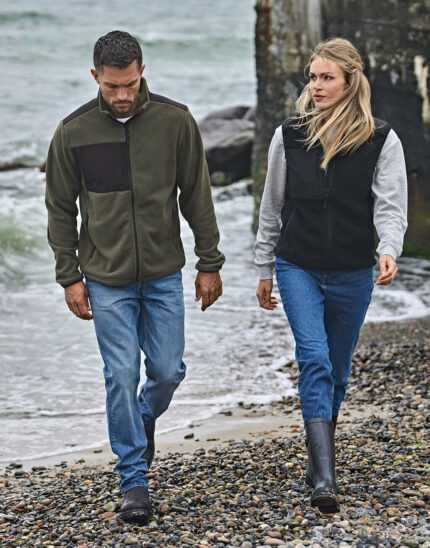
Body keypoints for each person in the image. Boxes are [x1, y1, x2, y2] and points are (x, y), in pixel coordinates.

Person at [46, 30, 224, 524]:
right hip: (105, 278)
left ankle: (142, 419)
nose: (122, 95)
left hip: (164, 274)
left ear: (142, 71)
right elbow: (59, 209)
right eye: (111, 86)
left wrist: (209, 262)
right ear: (95, 77)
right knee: (120, 375)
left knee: (167, 371)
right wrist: (69, 277)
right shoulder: (73, 131)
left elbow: (197, 195)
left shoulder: (175, 121)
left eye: (129, 84)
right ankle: (134, 481)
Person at [255, 38, 407, 514]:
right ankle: (325, 478)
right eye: (313, 77)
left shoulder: (381, 139)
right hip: (297, 265)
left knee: (337, 372)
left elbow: (390, 206)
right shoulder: (289, 135)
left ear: (350, 82)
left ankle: (317, 460)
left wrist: (389, 249)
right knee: (315, 359)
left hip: (353, 271)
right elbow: (271, 207)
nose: (316, 86)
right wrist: (263, 267)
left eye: (327, 78)